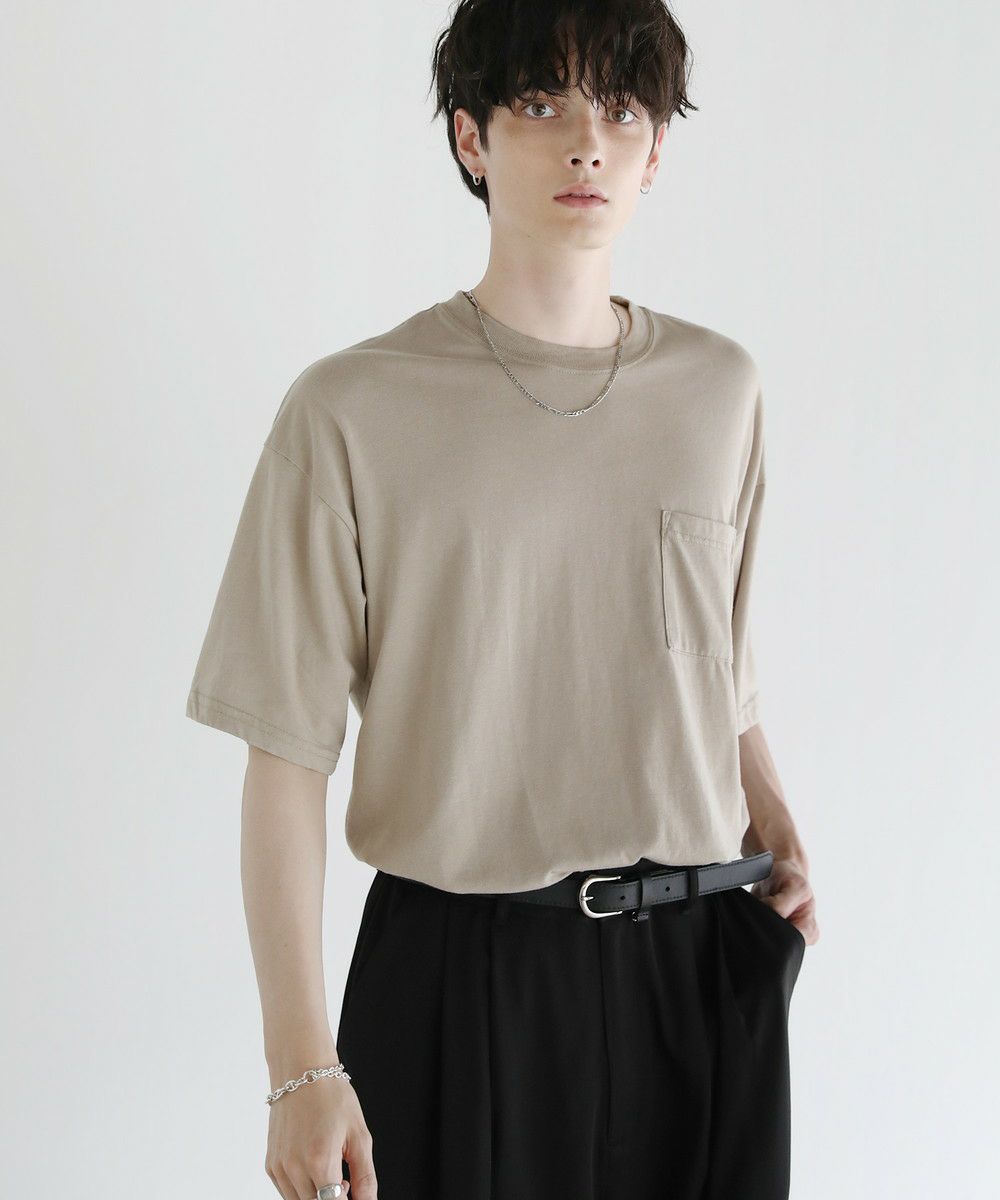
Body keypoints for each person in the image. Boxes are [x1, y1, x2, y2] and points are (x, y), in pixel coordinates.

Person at [184, 2, 819, 1197]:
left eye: (620, 111)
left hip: (696, 968)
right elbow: (285, 754)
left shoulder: (718, 391)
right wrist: (297, 1065)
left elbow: (717, 664)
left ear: (655, 150)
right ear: (470, 138)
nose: (587, 142)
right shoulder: (352, 409)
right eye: (540, 104)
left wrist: (773, 809)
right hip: (460, 971)